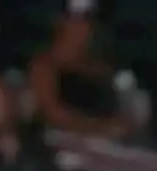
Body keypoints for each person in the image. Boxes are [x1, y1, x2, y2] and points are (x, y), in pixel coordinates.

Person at [29, 0, 132, 139]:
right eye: (76, 20)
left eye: (88, 21)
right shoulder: (45, 65)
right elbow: (52, 113)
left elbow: (119, 112)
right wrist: (98, 128)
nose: (83, 28)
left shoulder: (101, 69)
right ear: (62, 22)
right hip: (60, 142)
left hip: (103, 145)